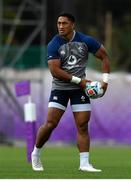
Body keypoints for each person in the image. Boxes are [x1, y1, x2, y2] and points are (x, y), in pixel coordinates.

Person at [31, 12, 110, 172]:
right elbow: (55, 70)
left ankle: (84, 163)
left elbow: (105, 57)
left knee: (82, 125)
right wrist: (80, 81)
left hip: (79, 90)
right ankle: (36, 153)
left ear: (72, 25)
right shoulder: (54, 44)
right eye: (59, 23)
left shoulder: (86, 41)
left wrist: (105, 82)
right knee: (51, 124)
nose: (60, 26)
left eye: (64, 23)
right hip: (60, 88)